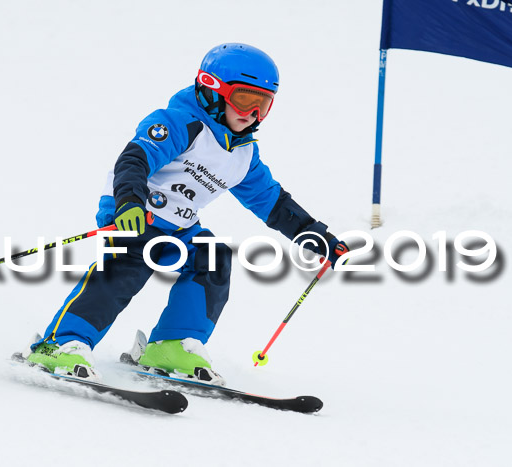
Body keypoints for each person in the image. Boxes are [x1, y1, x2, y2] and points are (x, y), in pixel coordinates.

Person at [23, 43, 349, 385]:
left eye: (262, 104)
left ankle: (172, 344)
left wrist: (317, 237)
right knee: (127, 267)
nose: (251, 113)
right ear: (211, 88)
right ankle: (60, 344)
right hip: (136, 214)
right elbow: (134, 160)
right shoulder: (179, 122)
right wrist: (129, 201)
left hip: (181, 225)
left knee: (214, 258)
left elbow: (272, 202)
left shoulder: (243, 154)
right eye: (244, 99)